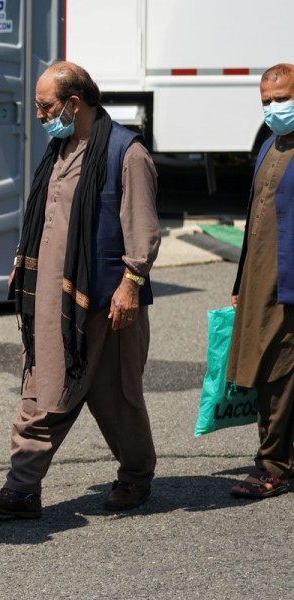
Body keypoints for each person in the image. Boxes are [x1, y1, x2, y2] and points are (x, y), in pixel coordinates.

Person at [0, 61, 160, 518]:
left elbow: (143, 229)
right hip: (53, 302)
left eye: (45, 105)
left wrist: (130, 286)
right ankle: (22, 490)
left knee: (118, 401)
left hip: (107, 303)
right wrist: (25, 264)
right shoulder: (60, 148)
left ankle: (136, 476)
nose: (39, 114)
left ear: (74, 104)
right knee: (42, 390)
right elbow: (45, 216)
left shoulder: (125, 153)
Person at [226, 63, 294, 500]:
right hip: (259, 279)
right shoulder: (269, 146)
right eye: (266, 101)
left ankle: (273, 465)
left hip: (287, 283)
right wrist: (240, 282)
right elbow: (254, 219)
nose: (274, 108)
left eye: (282, 98)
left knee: (280, 371)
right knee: (264, 366)